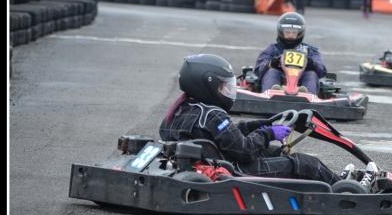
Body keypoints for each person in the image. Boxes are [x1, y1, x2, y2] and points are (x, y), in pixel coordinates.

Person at [159, 53, 379, 183]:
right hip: (235, 169)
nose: (227, 91)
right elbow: (243, 151)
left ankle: (335, 180)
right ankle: (346, 188)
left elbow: (230, 136)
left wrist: (264, 123)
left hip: (211, 161)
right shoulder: (213, 115)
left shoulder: (182, 110)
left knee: (276, 151)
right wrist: (268, 133)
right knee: (304, 163)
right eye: (223, 86)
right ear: (206, 84)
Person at [253, 12, 326, 95]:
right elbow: (258, 69)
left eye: (294, 32)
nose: (290, 35)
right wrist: (271, 63)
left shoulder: (310, 50)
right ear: (281, 32)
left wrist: (312, 64)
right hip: (280, 77)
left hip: (301, 79)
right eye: (287, 32)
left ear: (300, 33)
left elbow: (322, 70)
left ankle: (306, 94)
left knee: (311, 74)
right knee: (272, 72)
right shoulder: (272, 49)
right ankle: (272, 92)